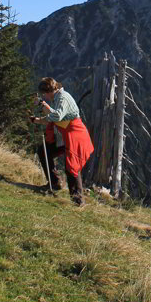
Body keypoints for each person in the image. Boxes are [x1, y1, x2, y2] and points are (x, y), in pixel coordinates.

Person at [31, 77, 94, 206]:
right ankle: (55, 183)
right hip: (65, 133)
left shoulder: (62, 98)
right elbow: (54, 117)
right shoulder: (57, 98)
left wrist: (41, 105)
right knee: (44, 151)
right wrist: (37, 120)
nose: (44, 96)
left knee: (72, 166)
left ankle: (78, 200)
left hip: (75, 134)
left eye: (44, 93)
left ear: (49, 91)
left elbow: (56, 116)